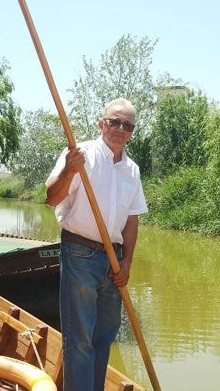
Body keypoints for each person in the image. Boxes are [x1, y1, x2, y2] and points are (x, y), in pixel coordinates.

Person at [45, 98, 148, 391]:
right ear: (101, 123)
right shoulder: (81, 155)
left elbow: (131, 220)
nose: (119, 128)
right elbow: (52, 197)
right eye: (114, 122)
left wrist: (127, 262)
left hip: (113, 261)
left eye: (126, 125)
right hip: (79, 253)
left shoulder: (132, 169)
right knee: (80, 339)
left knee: (105, 334)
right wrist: (69, 170)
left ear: (131, 132)